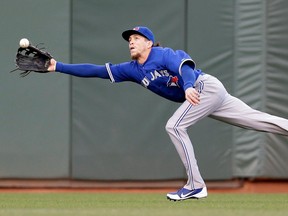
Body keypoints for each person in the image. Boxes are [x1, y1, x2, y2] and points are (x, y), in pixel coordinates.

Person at [47, 26, 288, 201]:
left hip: (204, 87)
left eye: (137, 38)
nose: (131, 41)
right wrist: (58, 66)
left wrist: (189, 86)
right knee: (257, 121)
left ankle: (195, 185)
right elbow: (96, 70)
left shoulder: (161, 55)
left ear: (149, 43)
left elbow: (186, 67)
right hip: (206, 95)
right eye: (129, 39)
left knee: (174, 126)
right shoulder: (131, 69)